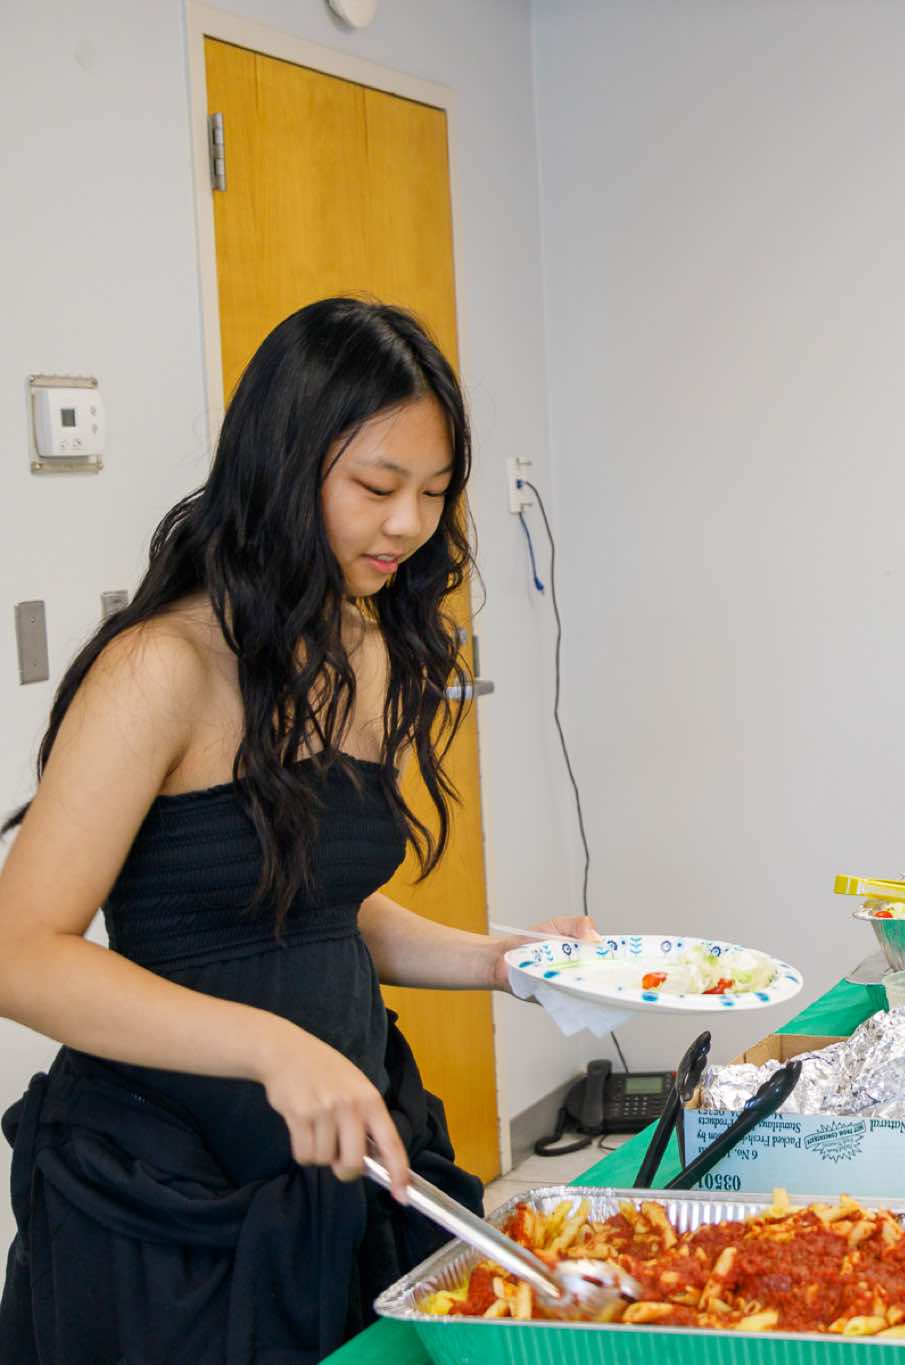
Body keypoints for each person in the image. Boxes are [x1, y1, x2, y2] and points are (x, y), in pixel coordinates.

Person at [0, 298, 593, 1363]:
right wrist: (274, 1049)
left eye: (433, 494)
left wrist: (502, 961)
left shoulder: (366, 646)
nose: (407, 526)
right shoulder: (161, 668)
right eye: (376, 487)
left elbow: (316, 903)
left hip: (340, 1165)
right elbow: (19, 954)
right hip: (170, 1196)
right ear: (281, 465)